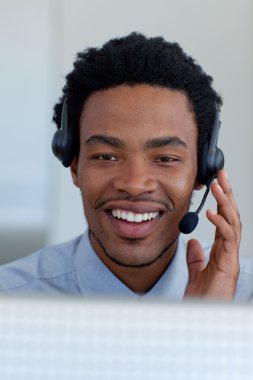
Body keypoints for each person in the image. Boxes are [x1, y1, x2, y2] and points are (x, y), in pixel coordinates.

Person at [0, 33, 252, 301]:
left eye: (165, 158)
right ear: (74, 165)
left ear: (203, 171)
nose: (134, 184)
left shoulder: (244, 300)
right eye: (106, 156)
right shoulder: (10, 298)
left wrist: (209, 327)